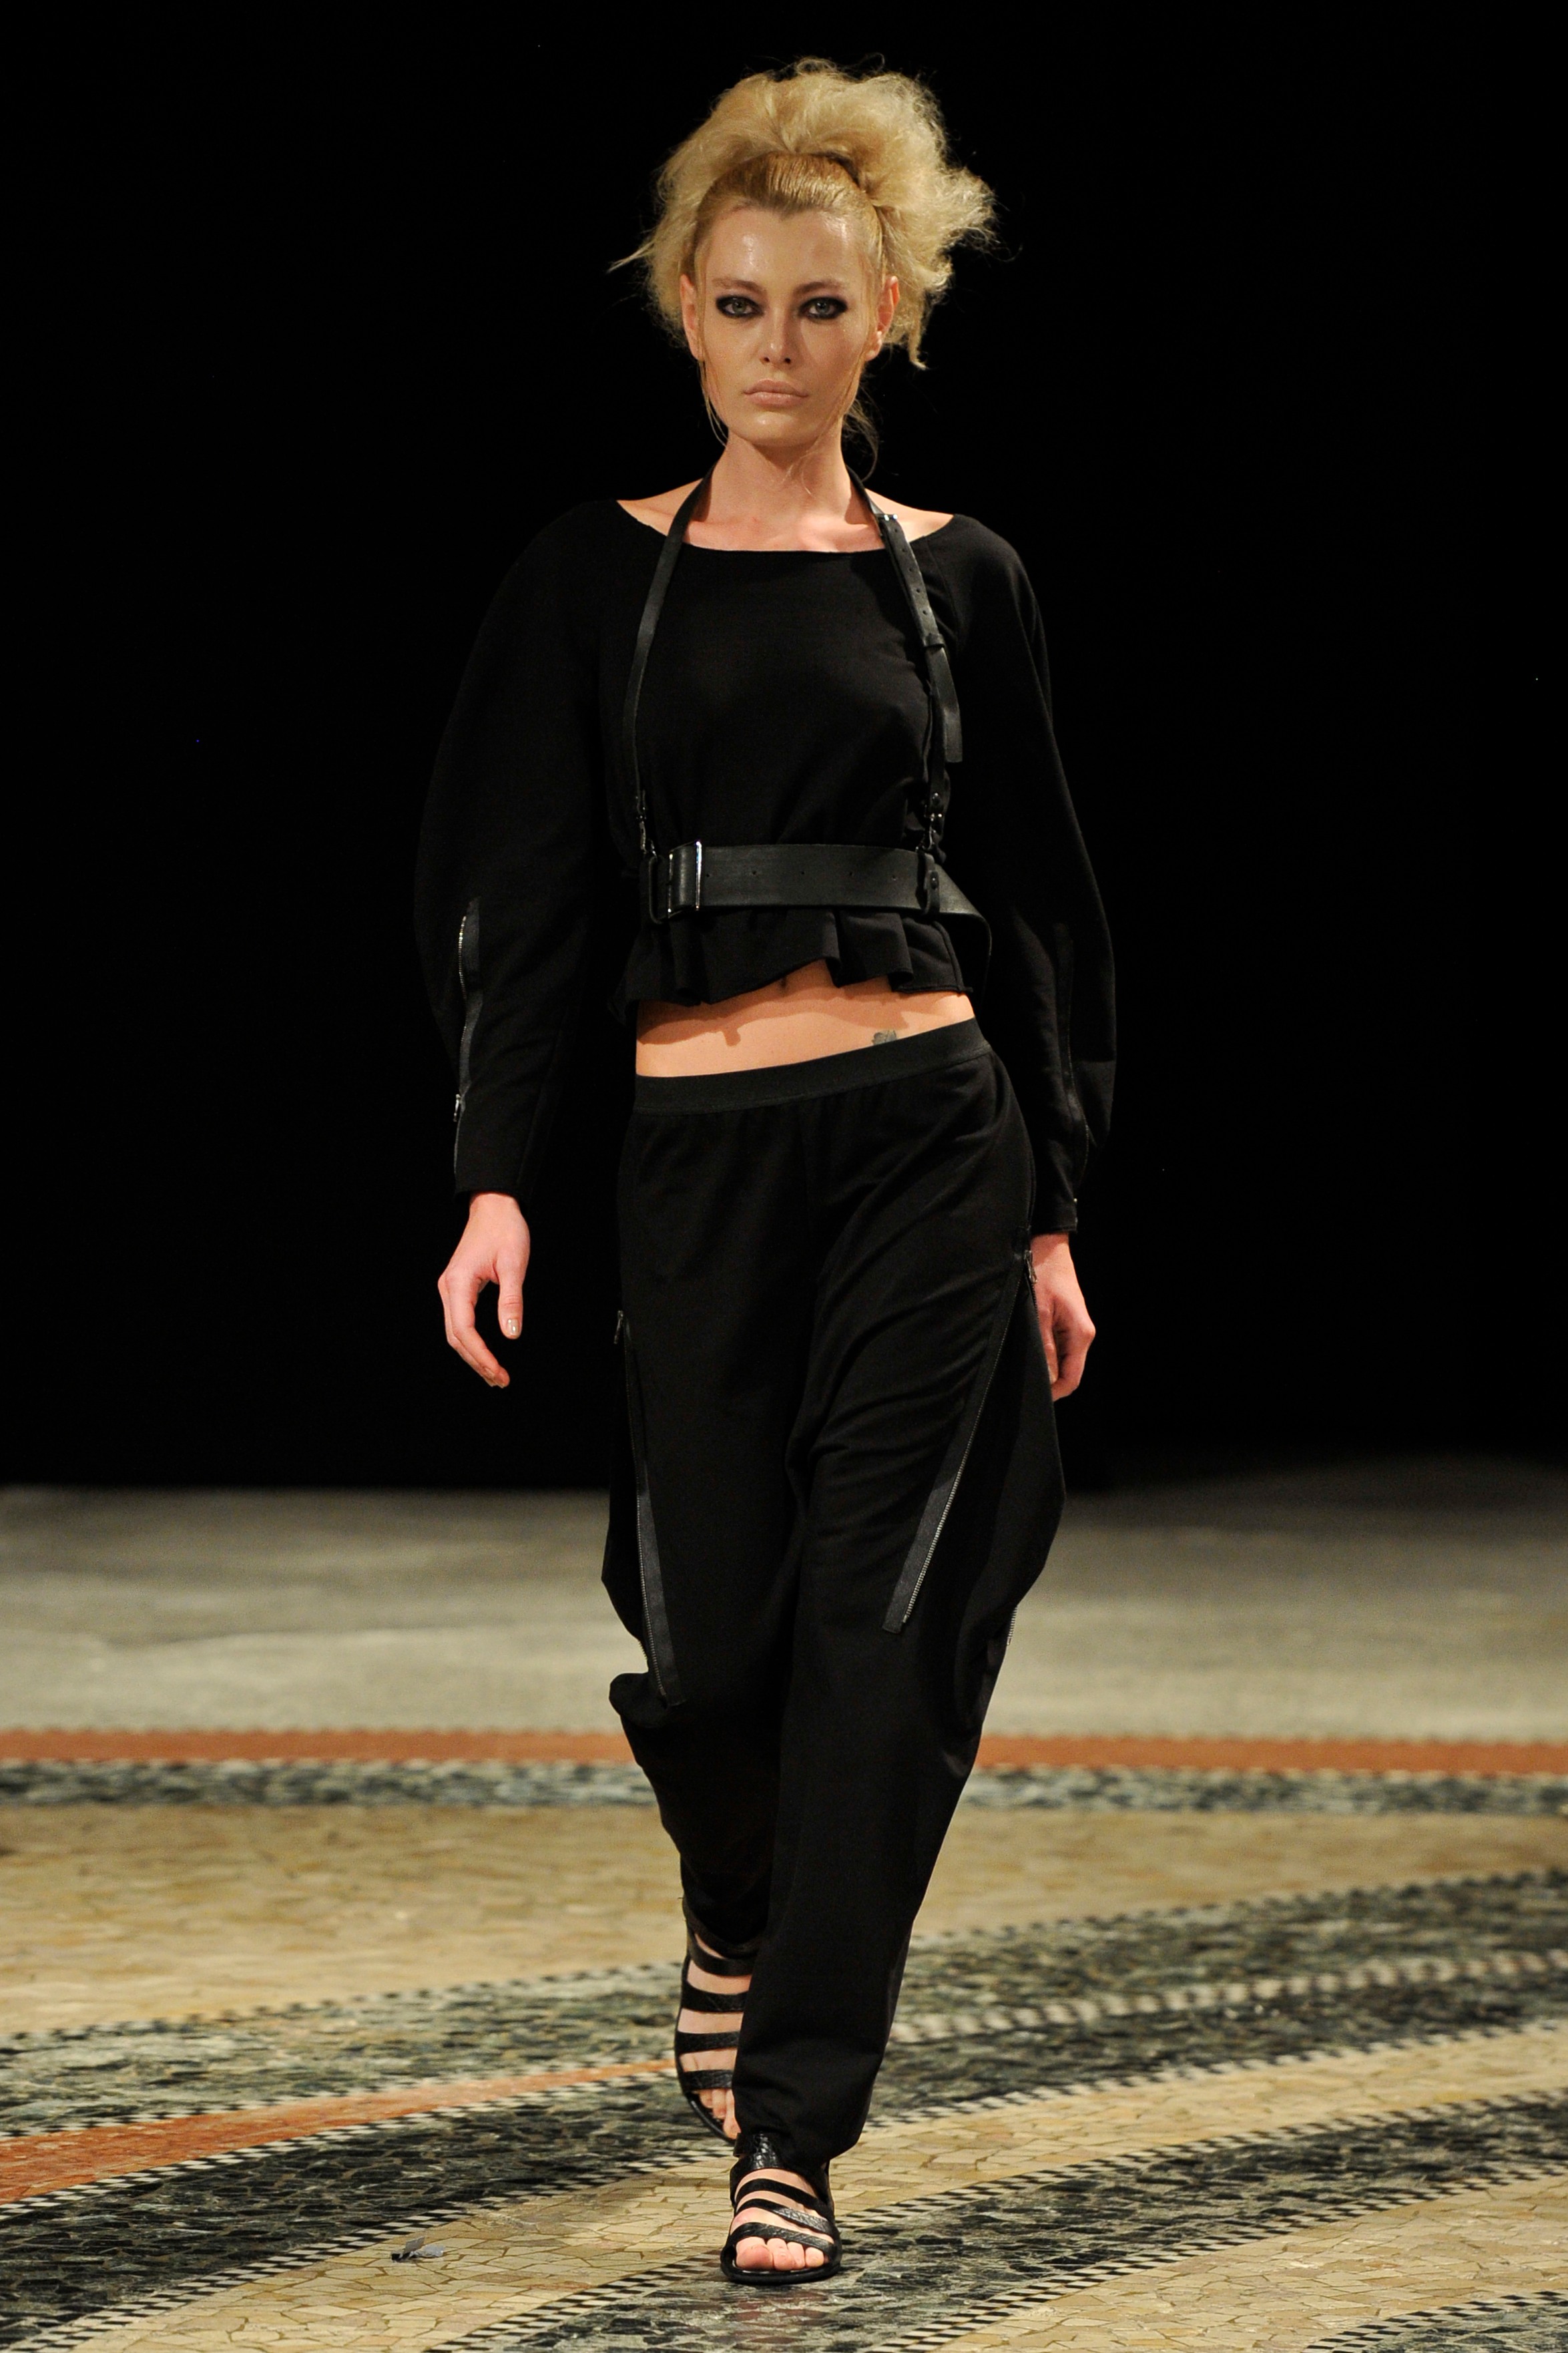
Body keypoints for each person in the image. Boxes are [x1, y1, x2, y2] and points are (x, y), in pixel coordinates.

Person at [416, 56, 1113, 2288]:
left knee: (879, 1635)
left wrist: (1051, 1203)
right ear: (685, 313)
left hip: (928, 1136)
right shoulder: (589, 579)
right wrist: (498, 1180)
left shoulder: (963, 580)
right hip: (698, 1155)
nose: (780, 347)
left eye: (824, 305)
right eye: (741, 304)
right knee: (710, 1650)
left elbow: (1044, 908)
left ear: (891, 313)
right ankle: (732, 1905)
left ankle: (794, 2128)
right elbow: (520, 900)